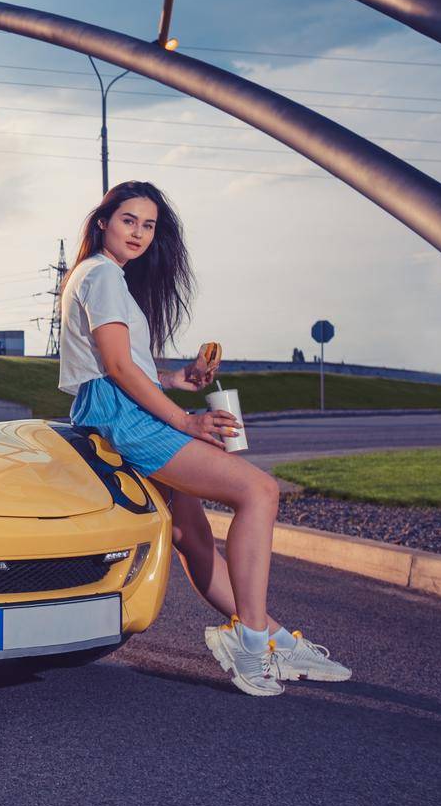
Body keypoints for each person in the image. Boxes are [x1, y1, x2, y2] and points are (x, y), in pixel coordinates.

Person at [57, 180, 350, 696]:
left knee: (193, 537)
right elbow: (118, 367)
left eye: (149, 225)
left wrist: (178, 380)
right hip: (121, 414)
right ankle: (253, 640)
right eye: (129, 220)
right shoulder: (101, 276)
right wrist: (184, 420)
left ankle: (273, 637)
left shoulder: (105, 277)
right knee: (259, 491)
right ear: (103, 221)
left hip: (117, 405)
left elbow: (127, 368)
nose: (140, 233)